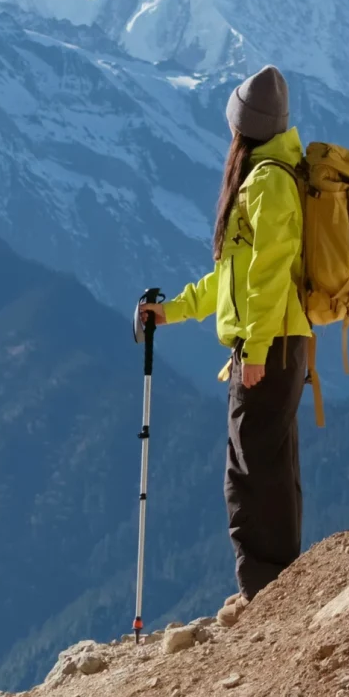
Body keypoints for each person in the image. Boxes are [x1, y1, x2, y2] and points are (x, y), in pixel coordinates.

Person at [138, 65, 312, 619]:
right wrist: (175, 311)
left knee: (247, 473)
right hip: (277, 342)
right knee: (271, 465)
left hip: (270, 347)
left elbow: (269, 272)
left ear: (245, 127)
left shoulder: (267, 182)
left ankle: (263, 589)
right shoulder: (270, 174)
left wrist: (256, 350)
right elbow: (233, 278)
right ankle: (278, 582)